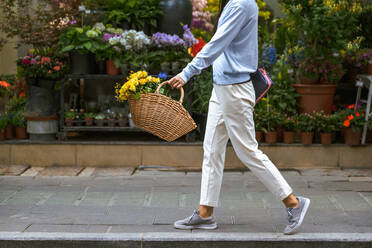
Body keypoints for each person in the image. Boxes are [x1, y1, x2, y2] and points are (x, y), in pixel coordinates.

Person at [167, 0, 310, 235]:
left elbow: (217, 44)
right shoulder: (237, 2)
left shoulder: (241, 4)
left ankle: (294, 202)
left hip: (234, 89)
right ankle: (205, 214)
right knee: (212, 148)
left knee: (248, 151)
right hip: (222, 88)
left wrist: (187, 72)